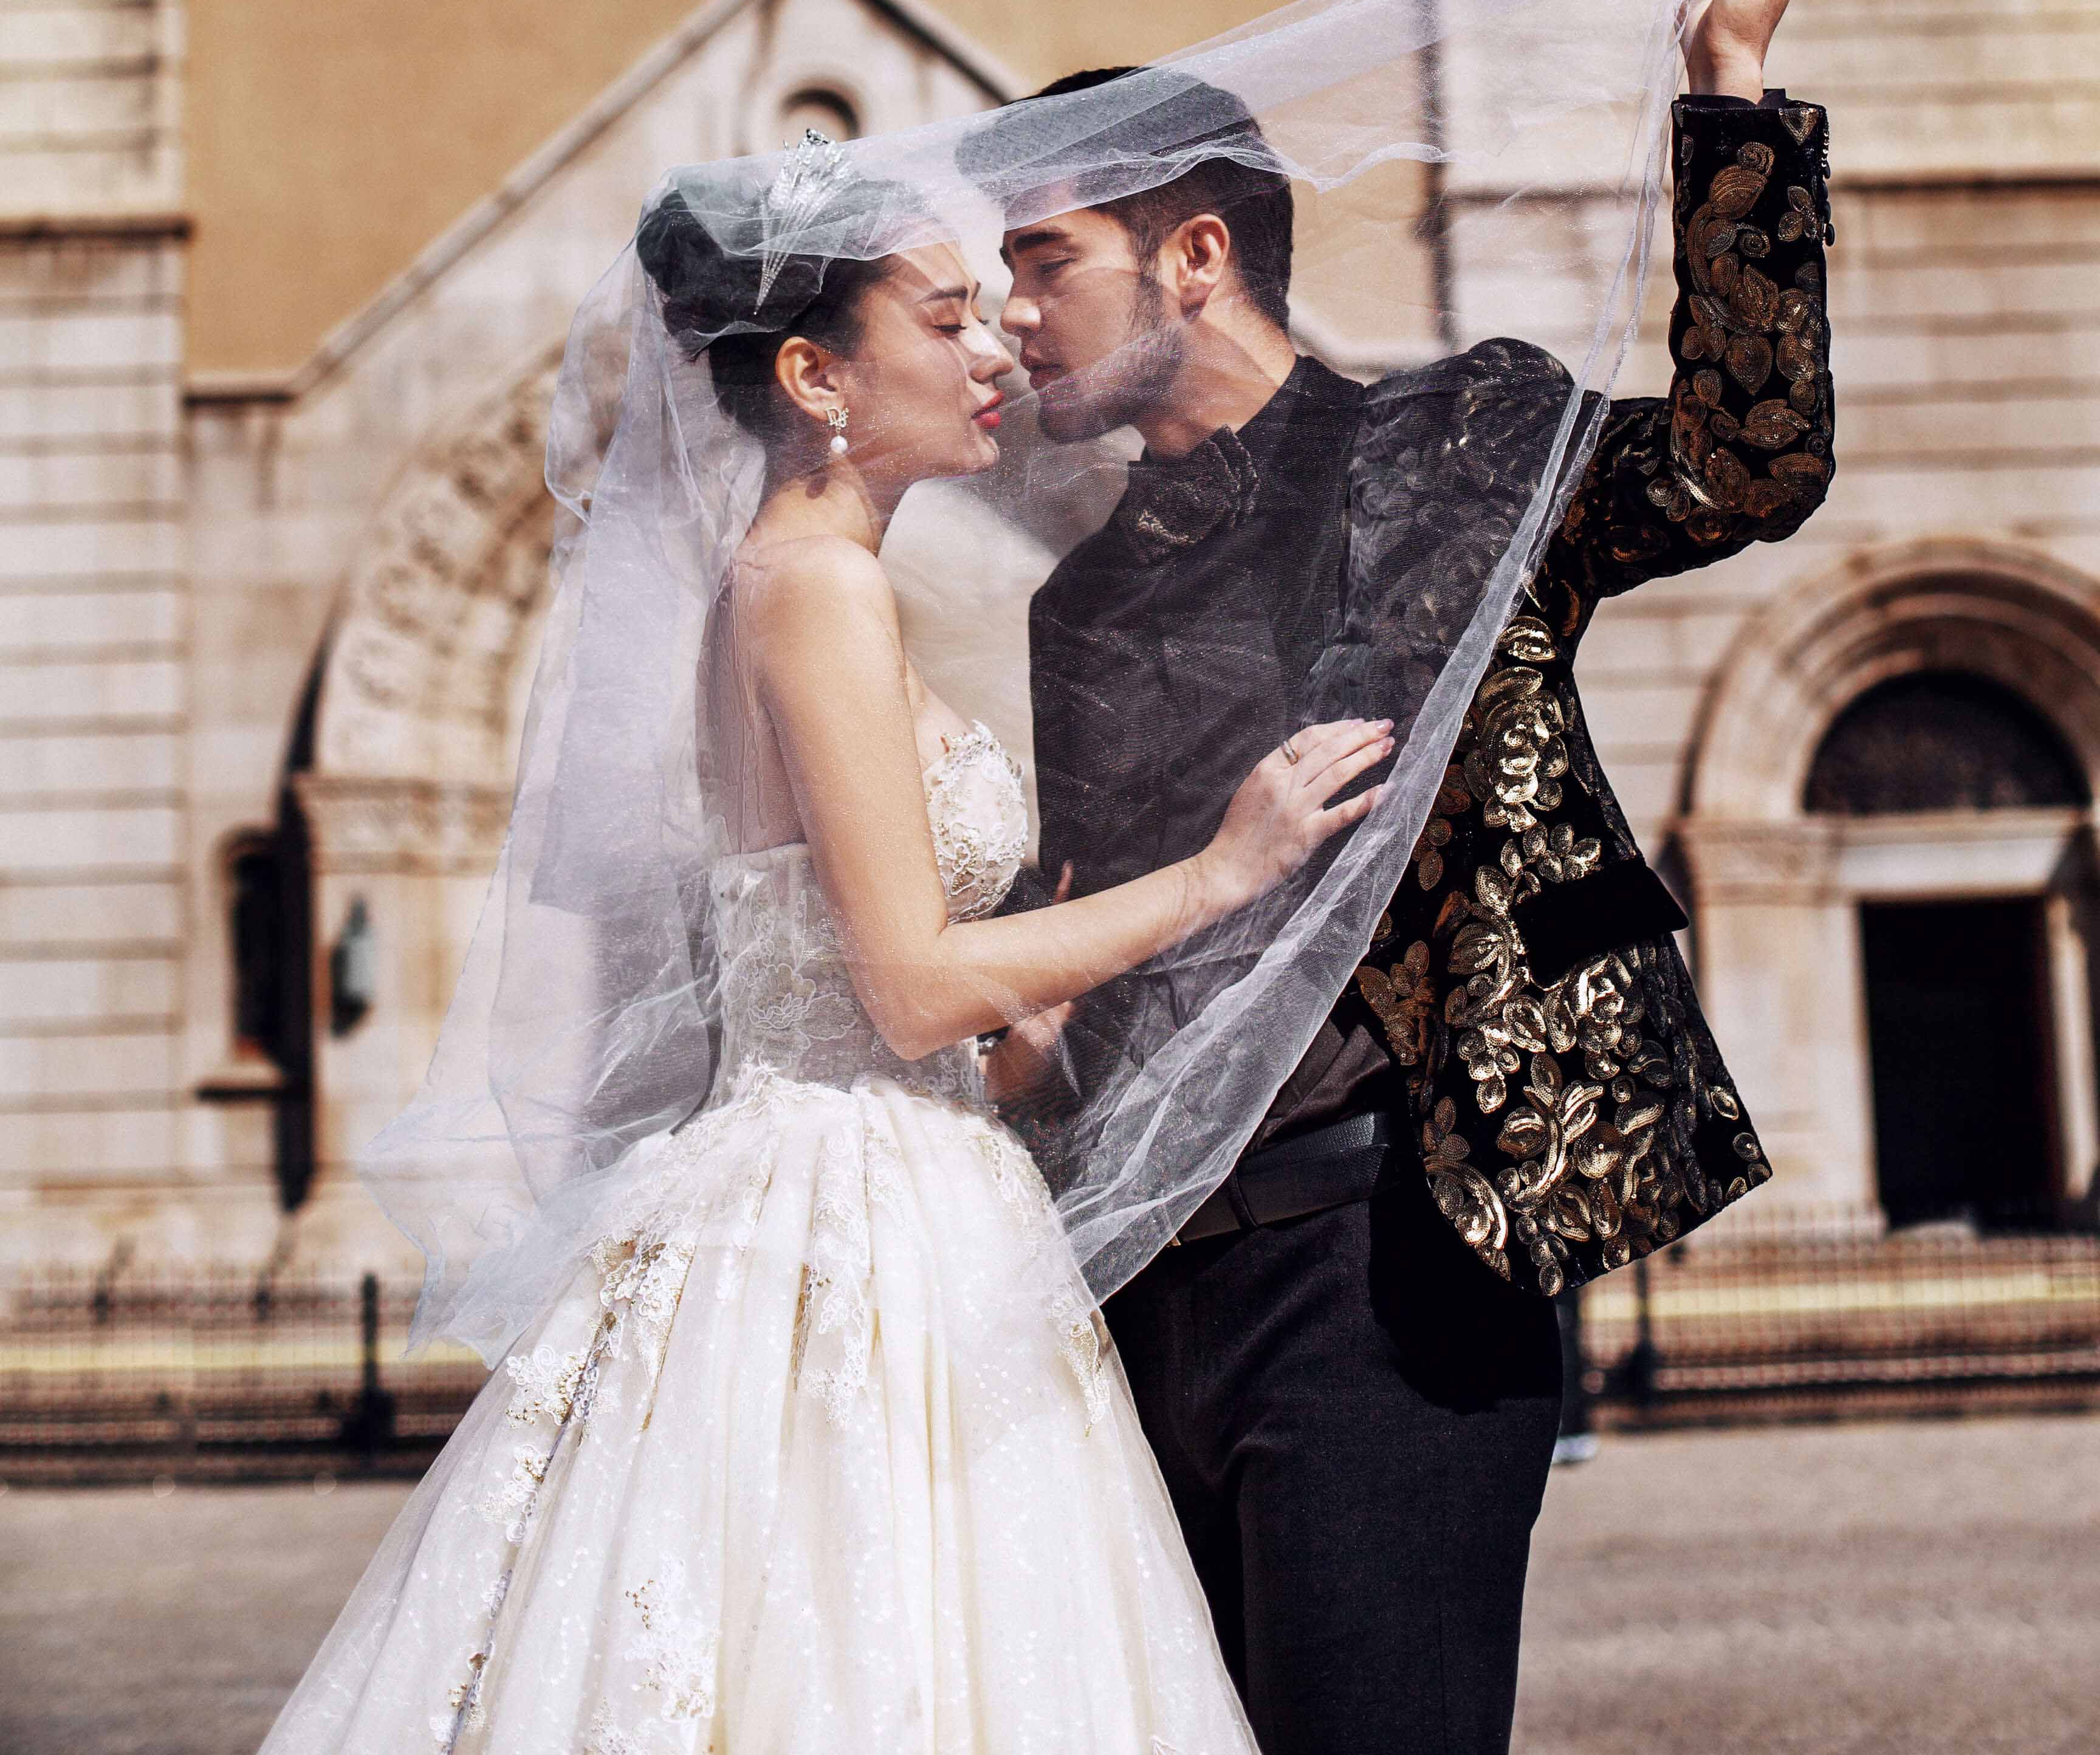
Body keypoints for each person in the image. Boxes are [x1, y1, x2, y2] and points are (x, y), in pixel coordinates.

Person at [258, 191, 1390, 1754]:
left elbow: (882, 985)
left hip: (906, 1166)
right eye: (945, 319)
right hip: (855, 1202)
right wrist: (1216, 873)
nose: (993, 350)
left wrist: (1033, 1008)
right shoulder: (815, 587)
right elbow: (912, 986)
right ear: (815, 376)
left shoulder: (809, 578)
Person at [991, 0, 1840, 1755]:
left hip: (1396, 1270)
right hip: (1138, 1310)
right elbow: (1107, 958)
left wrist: (1730, 88)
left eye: (1046, 261)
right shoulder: (1078, 602)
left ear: (1193, 256)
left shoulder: (1464, 439)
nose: (1015, 311)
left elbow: (1749, 462)